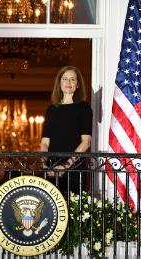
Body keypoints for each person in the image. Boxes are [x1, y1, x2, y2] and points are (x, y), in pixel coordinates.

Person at [40, 66, 93, 194]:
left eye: (72, 79)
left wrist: (66, 166)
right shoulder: (51, 110)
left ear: (78, 84)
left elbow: (86, 142)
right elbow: (44, 143)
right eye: (65, 79)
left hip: (74, 169)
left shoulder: (84, 108)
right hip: (52, 170)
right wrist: (44, 165)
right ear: (59, 83)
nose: (68, 83)